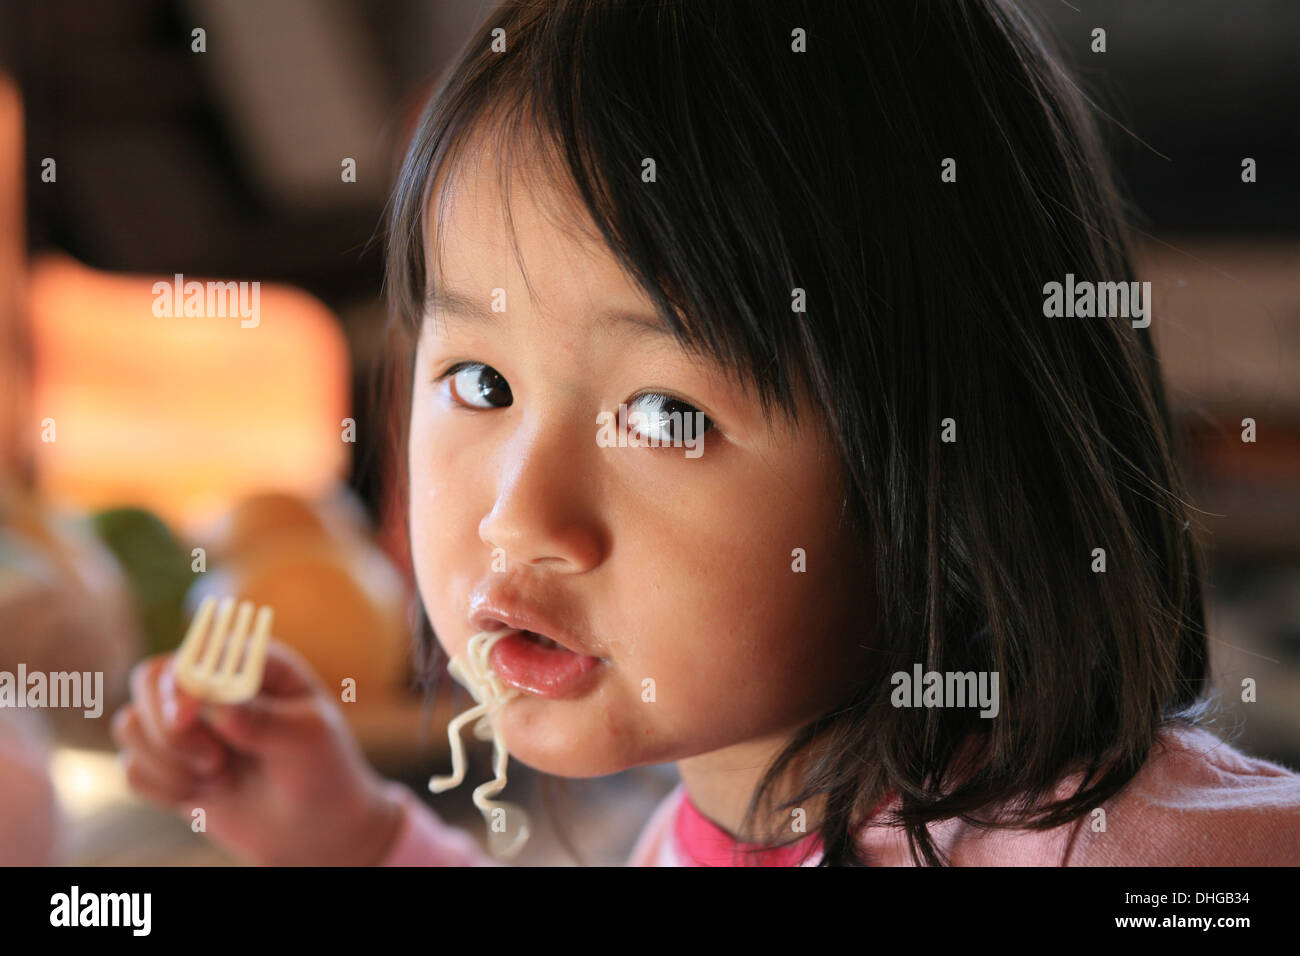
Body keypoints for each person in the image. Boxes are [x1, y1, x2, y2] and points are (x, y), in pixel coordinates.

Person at [113, 0, 1300, 866]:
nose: (519, 515)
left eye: (666, 412)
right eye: (479, 384)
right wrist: (359, 837)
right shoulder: (704, 825)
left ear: (942, 460)